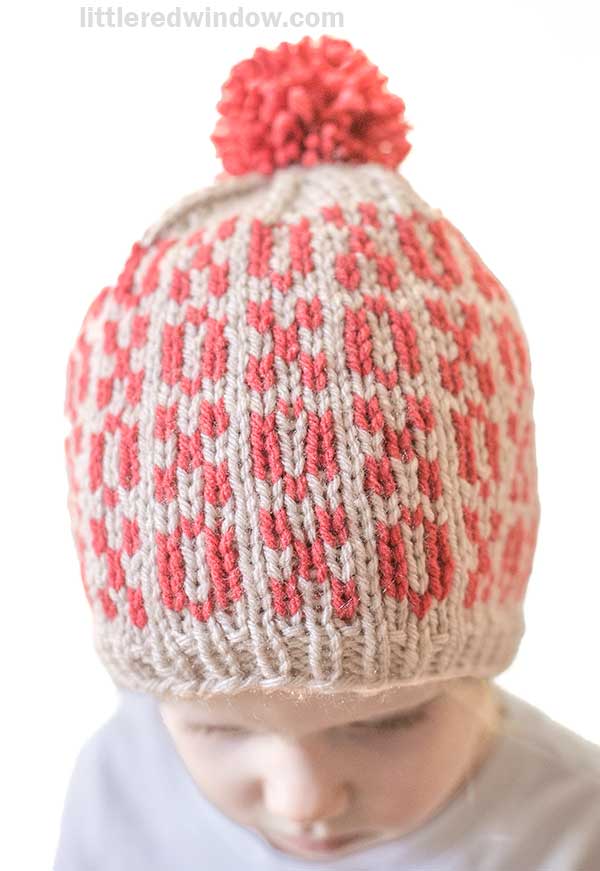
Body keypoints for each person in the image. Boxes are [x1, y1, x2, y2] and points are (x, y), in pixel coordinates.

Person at [55, 35, 600, 871]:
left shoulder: (567, 828)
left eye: (386, 720)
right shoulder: (119, 788)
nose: (302, 799)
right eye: (216, 725)